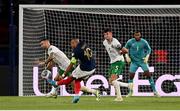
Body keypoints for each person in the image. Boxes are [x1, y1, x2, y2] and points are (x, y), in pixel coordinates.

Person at [47, 38, 100, 103]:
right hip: (93, 67)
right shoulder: (83, 43)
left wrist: (64, 75)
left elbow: (71, 64)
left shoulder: (76, 51)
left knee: (71, 78)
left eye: (71, 44)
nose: (71, 46)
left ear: (74, 43)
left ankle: (56, 83)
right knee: (77, 80)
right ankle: (78, 96)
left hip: (84, 68)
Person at [121, 31, 159, 97]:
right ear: (134, 35)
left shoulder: (144, 42)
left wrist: (147, 56)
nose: (137, 36)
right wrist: (126, 56)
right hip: (134, 62)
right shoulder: (130, 41)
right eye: (136, 35)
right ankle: (130, 92)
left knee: (148, 75)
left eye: (138, 35)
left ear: (140, 35)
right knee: (131, 76)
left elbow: (149, 49)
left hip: (142, 61)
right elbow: (125, 49)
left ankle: (155, 91)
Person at [103, 28, 130, 101]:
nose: (106, 36)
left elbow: (125, 50)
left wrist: (124, 54)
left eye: (107, 34)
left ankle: (119, 97)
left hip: (119, 61)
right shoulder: (104, 42)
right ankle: (128, 85)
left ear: (111, 34)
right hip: (112, 62)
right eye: (105, 34)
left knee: (113, 79)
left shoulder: (115, 43)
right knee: (111, 82)